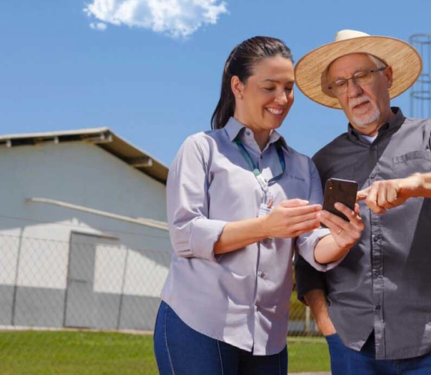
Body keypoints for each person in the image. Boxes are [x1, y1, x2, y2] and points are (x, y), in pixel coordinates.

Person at [154, 36, 364, 375]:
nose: (282, 99)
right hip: (198, 325)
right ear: (238, 86)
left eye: (288, 88)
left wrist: (342, 237)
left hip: (268, 337)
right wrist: (266, 227)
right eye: (269, 87)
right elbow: (185, 234)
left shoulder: (301, 166)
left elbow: (311, 245)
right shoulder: (201, 150)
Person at [293, 30, 431, 374]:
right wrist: (326, 322)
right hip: (353, 344)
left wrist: (412, 184)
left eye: (362, 75)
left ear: (388, 76)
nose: (353, 90)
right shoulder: (321, 163)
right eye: (340, 83)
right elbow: (306, 256)